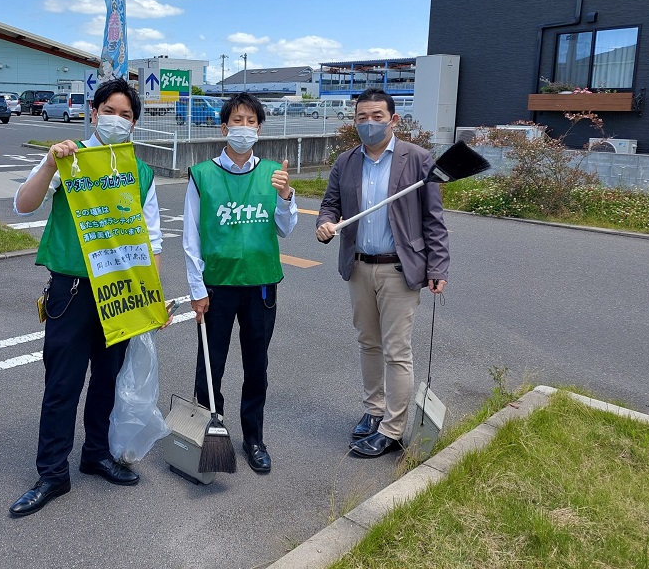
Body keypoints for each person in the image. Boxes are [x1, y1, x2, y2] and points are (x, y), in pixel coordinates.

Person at [8, 78, 162, 516]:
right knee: (62, 385)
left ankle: (95, 455)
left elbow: (152, 240)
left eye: (126, 115)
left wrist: (152, 301)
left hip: (121, 291)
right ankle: (52, 473)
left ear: (135, 124)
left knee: (107, 381)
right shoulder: (67, 156)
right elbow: (23, 204)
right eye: (109, 111)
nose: (117, 120)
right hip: (72, 290)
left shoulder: (140, 171)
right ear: (93, 113)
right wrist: (50, 167)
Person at [315, 89, 449, 458]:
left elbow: (433, 221)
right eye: (362, 117)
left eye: (377, 116)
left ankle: (392, 428)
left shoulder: (418, 160)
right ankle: (373, 411)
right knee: (368, 344)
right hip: (359, 266)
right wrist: (325, 225)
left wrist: (437, 266)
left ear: (393, 120)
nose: (369, 123)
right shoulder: (346, 161)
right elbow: (330, 205)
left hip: (398, 268)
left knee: (396, 350)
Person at [182, 92, 297, 473]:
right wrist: (196, 289)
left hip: (261, 286)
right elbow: (190, 237)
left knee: (256, 365)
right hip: (216, 286)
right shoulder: (202, 175)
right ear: (223, 127)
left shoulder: (272, 174)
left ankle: (253, 438)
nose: (244, 128)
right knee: (210, 365)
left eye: (251, 121)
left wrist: (285, 196)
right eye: (237, 120)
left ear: (260, 129)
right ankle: (207, 431)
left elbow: (285, 229)